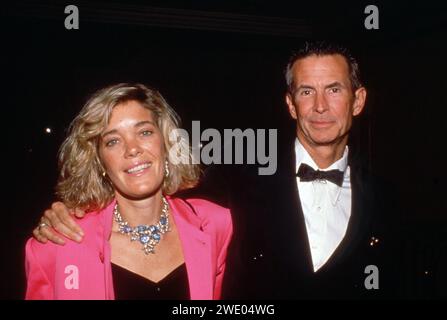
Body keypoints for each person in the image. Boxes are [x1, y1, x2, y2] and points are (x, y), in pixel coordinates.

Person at [32, 41, 397, 299]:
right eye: (306, 91)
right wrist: (64, 213)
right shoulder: (231, 188)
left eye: (333, 89)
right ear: (289, 103)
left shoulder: (388, 200)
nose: (320, 106)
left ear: (358, 100)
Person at [25, 83, 233, 300]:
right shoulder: (56, 247)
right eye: (113, 141)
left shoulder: (215, 224)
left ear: (166, 144)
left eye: (144, 132)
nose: (132, 149)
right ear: (100, 163)